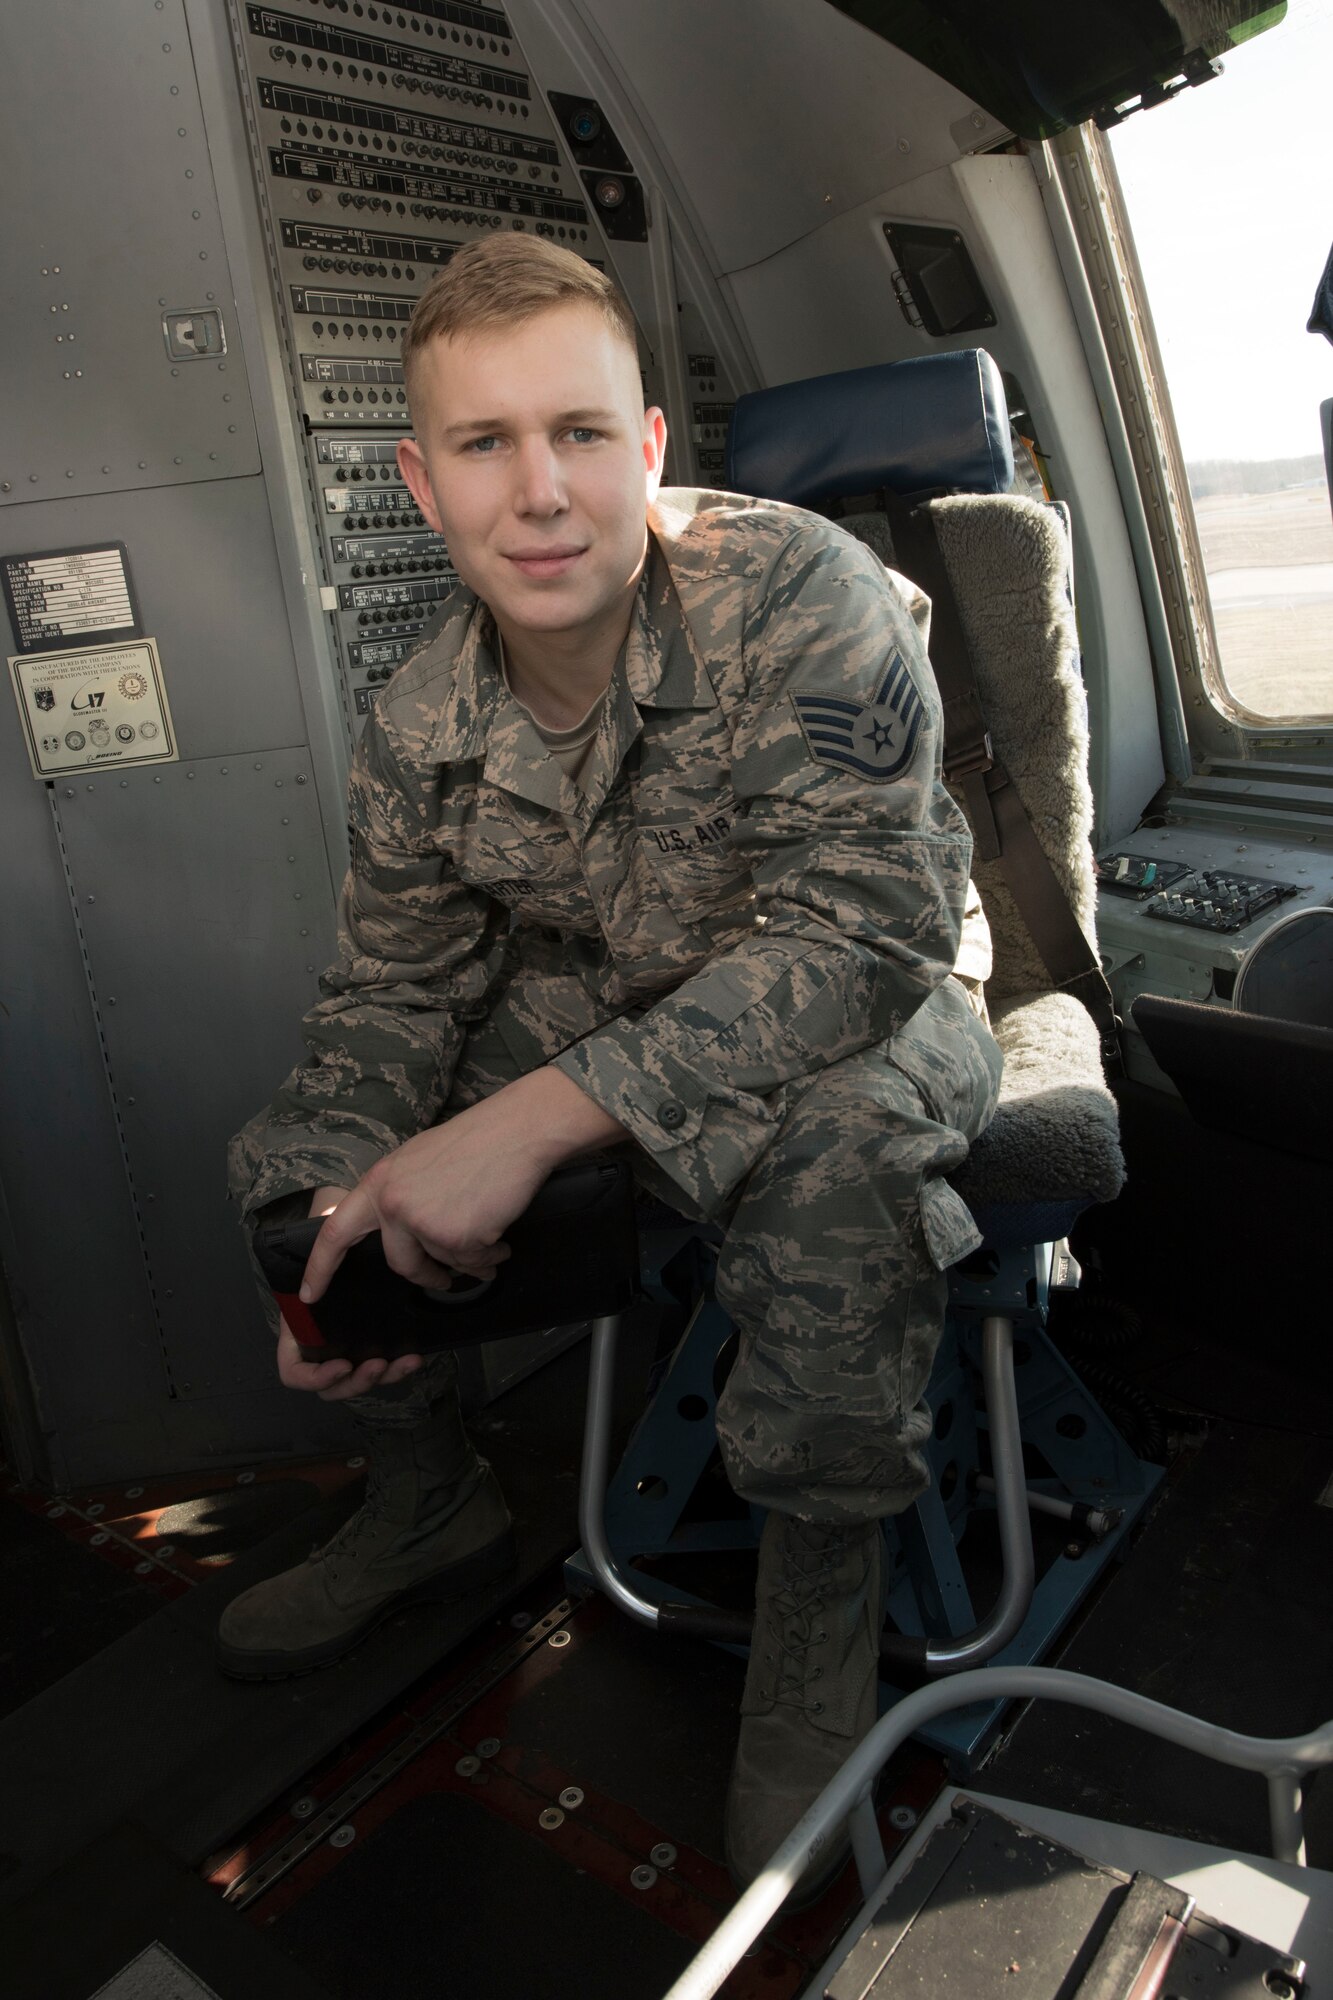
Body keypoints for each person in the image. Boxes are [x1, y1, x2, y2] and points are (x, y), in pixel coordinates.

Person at [220, 235, 1001, 1890]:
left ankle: (815, 1613)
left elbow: (864, 934)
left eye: (578, 432)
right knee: (313, 1145)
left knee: (835, 1157)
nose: (541, 492)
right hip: (615, 991)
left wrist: (523, 1129)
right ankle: (427, 1493)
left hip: (868, 983)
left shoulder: (798, 590)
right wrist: (318, 1228)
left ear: (648, 450)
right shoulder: (421, 715)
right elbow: (387, 994)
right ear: (421, 489)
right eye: (484, 445)